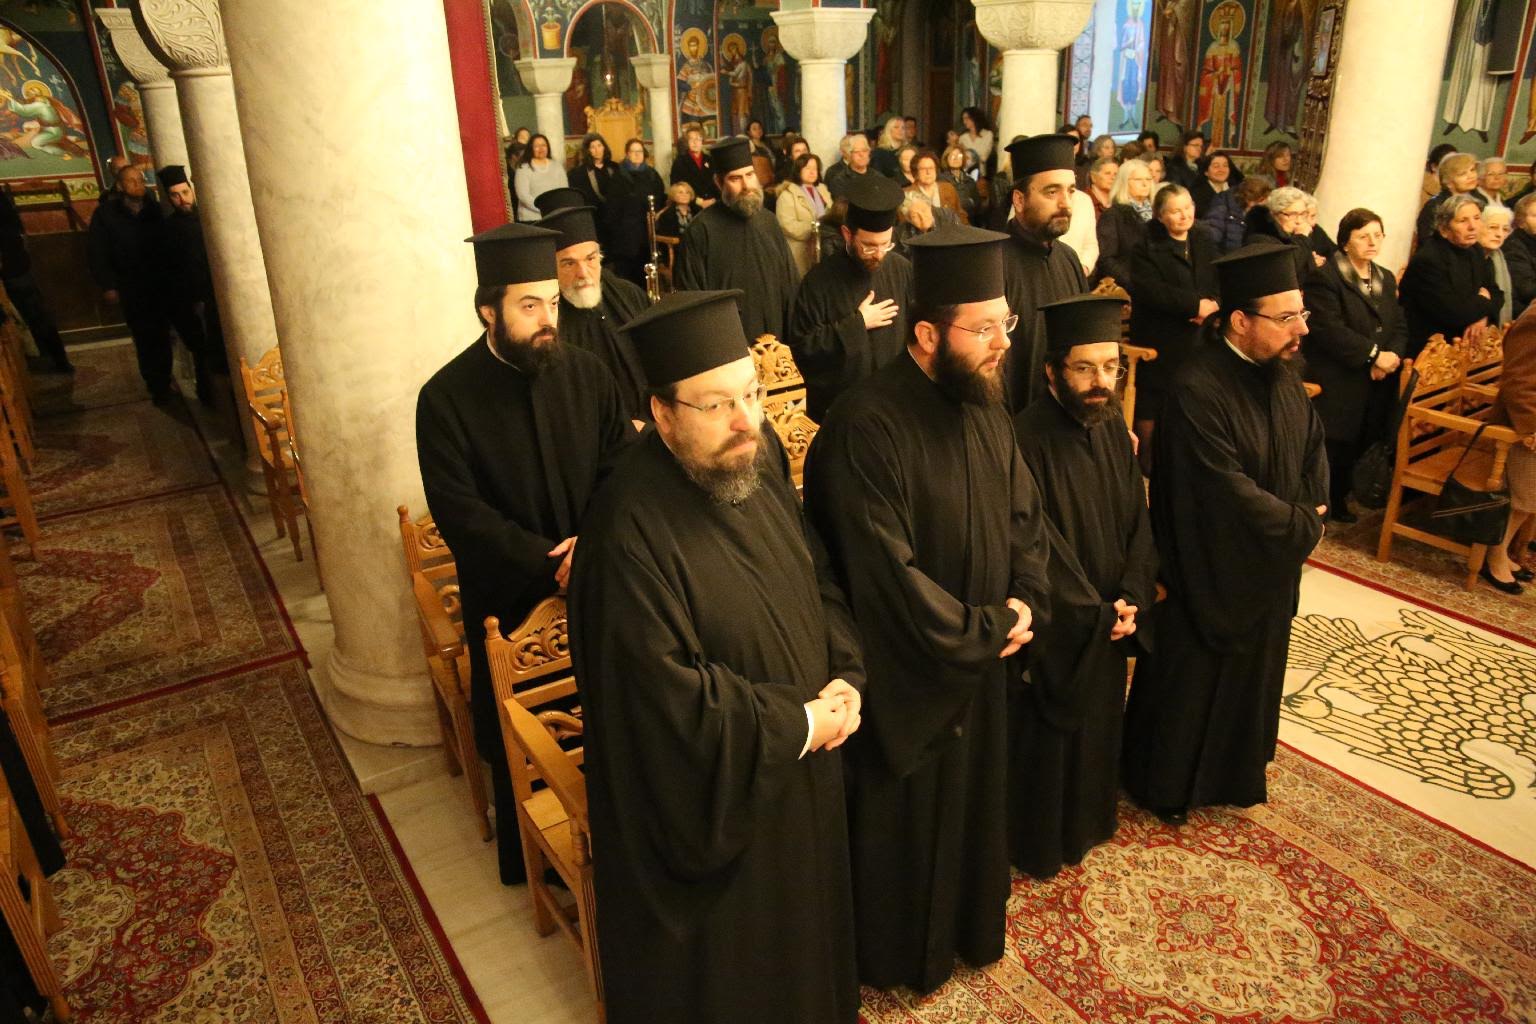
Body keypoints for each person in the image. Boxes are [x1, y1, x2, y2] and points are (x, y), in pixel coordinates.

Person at [570, 289, 863, 1024]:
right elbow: (664, 704)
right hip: (716, 809)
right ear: (661, 413)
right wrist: (800, 724)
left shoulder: (755, 460)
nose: (745, 421)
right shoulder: (625, 531)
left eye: (752, 394)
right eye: (716, 404)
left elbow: (817, 575)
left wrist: (844, 674)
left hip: (802, 773)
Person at [803, 223, 1051, 995]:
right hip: (908, 679)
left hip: (983, 662)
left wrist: (1028, 598)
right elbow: (886, 577)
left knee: (974, 811)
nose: (1003, 343)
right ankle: (898, 957)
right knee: (907, 830)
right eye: (983, 329)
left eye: (1005, 323)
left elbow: (1025, 517)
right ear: (925, 334)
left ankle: (967, 931)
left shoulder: (984, 402)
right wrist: (987, 629)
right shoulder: (864, 426)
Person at [415, 222, 631, 886]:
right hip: (507, 597)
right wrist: (548, 560)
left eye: (553, 303)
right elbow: (461, 513)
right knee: (523, 733)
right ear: (489, 310)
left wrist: (591, 545)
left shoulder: (588, 375)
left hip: (595, 581)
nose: (547, 320)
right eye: (529, 305)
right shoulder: (444, 398)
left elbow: (620, 471)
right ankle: (535, 860)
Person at [1122, 242, 1328, 823]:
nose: (1301, 330)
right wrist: (1298, 525)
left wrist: (1311, 512)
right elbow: (1221, 489)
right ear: (1240, 321)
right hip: (1209, 567)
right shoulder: (1197, 387)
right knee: (1191, 687)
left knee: (1253, 678)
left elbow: (1313, 451)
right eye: (1285, 318)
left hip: (1267, 565)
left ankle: (1231, 776)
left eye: (1301, 314)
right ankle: (1165, 785)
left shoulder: (1282, 375)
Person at [1010, 294, 1156, 879]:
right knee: (1051, 739)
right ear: (1053, 371)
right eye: (1085, 368)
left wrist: (1133, 594)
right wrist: (1093, 612)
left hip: (1111, 612)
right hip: (1063, 624)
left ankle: (1091, 821)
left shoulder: (1113, 424)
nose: (1100, 382)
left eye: (1111, 367)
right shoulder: (1023, 438)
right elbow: (1034, 543)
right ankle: (1041, 842)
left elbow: (1138, 520)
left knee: (1100, 726)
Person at [1301, 208, 1406, 523]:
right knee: (1333, 443)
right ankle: (1322, 501)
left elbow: (1398, 323)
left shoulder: (1385, 276)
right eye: (1363, 236)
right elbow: (1328, 329)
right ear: (1346, 241)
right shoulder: (1326, 277)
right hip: (1338, 374)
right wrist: (1373, 355)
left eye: (1378, 235)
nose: (1372, 242)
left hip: (1376, 376)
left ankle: (1342, 495)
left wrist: (1391, 357)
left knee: (1361, 438)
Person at [788, 173, 912, 421]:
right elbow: (803, 349)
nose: (879, 254)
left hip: (895, 405)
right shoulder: (818, 282)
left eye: (885, 245)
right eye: (869, 246)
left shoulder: (902, 270)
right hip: (841, 411)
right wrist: (857, 324)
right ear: (847, 234)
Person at [1127, 183, 1219, 467]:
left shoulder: (1203, 238)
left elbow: (1219, 276)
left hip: (1200, 332)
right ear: (1160, 215)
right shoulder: (1146, 245)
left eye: (1188, 207)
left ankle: (1186, 459)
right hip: (1159, 333)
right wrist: (1193, 306)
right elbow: (1149, 289)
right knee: (1155, 396)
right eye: (1176, 211)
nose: (1184, 215)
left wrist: (1213, 304)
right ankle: (1149, 460)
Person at [676, 136, 799, 340]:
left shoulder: (769, 221)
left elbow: (790, 285)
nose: (746, 186)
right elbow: (691, 302)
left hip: (776, 344)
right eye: (735, 179)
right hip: (728, 345)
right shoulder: (700, 231)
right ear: (719, 182)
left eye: (750, 175)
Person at [538, 203, 651, 424]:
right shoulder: (547, 319)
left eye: (590, 259)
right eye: (569, 263)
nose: (583, 273)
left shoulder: (629, 295)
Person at [1000, 134, 1090, 411]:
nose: (1066, 204)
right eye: (1052, 192)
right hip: (1011, 417)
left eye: (1071, 191)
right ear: (1019, 200)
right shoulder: (992, 260)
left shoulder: (1069, 259)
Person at [87, 164, 174, 402]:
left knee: (162, 334)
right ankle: (155, 384)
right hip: (130, 286)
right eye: (132, 180)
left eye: (140, 179)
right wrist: (108, 285)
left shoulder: (154, 210)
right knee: (144, 336)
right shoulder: (106, 214)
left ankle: (164, 379)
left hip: (158, 283)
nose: (138, 184)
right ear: (120, 185)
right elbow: (97, 251)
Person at [1400, 195, 1503, 358]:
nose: (1473, 226)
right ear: (1444, 229)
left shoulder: (1475, 250)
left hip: (1465, 343)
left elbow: (1497, 294)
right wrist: (1484, 300)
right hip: (1430, 350)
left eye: (1477, 218)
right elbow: (1454, 313)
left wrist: (1481, 317)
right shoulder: (1428, 260)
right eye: (1463, 221)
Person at [157, 165, 222, 403]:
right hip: (189, 301)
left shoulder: (208, 219)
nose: (182, 199)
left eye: (185, 192)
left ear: (192, 190)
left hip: (215, 295)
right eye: (175, 195)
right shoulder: (168, 230)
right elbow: (171, 271)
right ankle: (209, 398)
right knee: (201, 352)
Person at [1487, 303, 1536, 593]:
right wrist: (1532, 427)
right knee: (1524, 498)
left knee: (1530, 501)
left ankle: (1503, 549)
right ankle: (1494, 556)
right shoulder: (1534, 320)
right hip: (1519, 425)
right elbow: (1518, 382)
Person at [0, 185, 69, 372]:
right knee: (32, 315)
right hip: (15, 265)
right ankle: (52, 359)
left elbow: (11, 229)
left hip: (13, 267)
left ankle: (53, 359)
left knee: (33, 315)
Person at [1095, 158, 1154, 288]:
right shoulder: (1113, 215)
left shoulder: (1159, 213)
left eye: (1148, 179)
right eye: (1138, 179)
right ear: (1124, 182)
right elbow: (1106, 259)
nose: (1145, 184)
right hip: (1129, 288)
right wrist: (1135, 283)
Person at [776, 151, 831, 278]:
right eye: (807, 168)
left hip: (824, 246)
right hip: (800, 251)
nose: (812, 172)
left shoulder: (823, 190)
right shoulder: (787, 194)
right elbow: (786, 225)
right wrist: (814, 229)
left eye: (815, 168)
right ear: (798, 170)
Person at [1246, 185, 1319, 280]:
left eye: (1303, 214)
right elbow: (1287, 269)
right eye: (1292, 214)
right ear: (1274, 213)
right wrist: (1302, 237)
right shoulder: (1260, 237)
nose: (1299, 221)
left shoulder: (1291, 235)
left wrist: (1310, 262)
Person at [1416, 152, 1484, 245]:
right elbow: (1426, 240)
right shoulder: (1435, 205)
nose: (1471, 176)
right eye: (1462, 174)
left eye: (1472, 170)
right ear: (1448, 182)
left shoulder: (1481, 200)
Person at [1195, 152, 1244, 252]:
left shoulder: (1237, 191)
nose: (1221, 170)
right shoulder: (1197, 193)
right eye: (1216, 166)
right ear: (1206, 172)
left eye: (1225, 166)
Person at [905, 148, 966, 224]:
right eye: (923, 169)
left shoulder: (948, 188)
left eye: (931, 168)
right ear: (916, 172)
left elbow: (960, 215)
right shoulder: (907, 194)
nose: (928, 172)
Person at [513, 133, 564, 222]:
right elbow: (523, 195)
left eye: (543, 145)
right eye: (536, 146)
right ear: (531, 148)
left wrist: (556, 208)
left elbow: (564, 191)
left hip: (555, 215)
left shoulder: (557, 166)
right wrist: (544, 208)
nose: (541, 149)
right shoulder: (523, 168)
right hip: (531, 218)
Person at [1480, 203, 1515, 326]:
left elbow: (1499, 297)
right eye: (1493, 227)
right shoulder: (1465, 259)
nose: (1499, 234)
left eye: (1505, 229)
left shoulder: (1497, 259)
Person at [669, 125, 720, 206]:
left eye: (698, 139)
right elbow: (676, 187)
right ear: (687, 142)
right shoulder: (680, 162)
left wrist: (715, 200)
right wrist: (699, 202)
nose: (695, 142)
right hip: (690, 204)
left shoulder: (710, 159)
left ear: (702, 141)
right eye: (691, 139)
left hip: (712, 202)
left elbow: (717, 183)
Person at [1505, 193, 1536, 313]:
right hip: (1525, 312)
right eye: (1535, 215)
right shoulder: (1513, 247)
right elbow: (1528, 290)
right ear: (1521, 222)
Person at [825, 131, 875, 201]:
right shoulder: (838, 179)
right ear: (849, 154)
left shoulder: (876, 175)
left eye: (864, 150)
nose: (861, 154)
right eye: (856, 151)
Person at [940, 144, 983, 223]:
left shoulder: (970, 181)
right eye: (952, 155)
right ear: (946, 159)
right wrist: (969, 202)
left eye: (959, 156)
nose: (956, 158)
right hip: (950, 223)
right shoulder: (941, 179)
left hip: (969, 223)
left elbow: (977, 206)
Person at [1421, 142, 1458, 208]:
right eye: (1448, 164)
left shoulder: (1457, 192)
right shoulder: (1421, 191)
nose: (1454, 168)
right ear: (1434, 167)